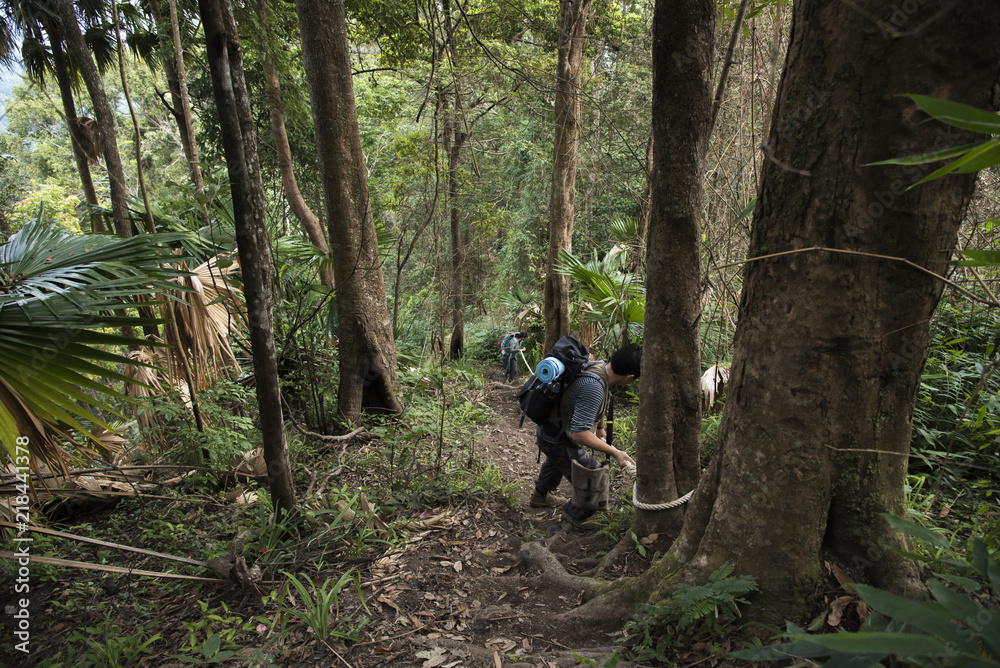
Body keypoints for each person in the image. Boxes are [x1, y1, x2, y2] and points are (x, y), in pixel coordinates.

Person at [529, 343, 641, 530]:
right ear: (630, 377)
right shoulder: (593, 387)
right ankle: (574, 516)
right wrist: (615, 452)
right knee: (594, 477)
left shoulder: (599, 367)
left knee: (557, 461)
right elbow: (579, 435)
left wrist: (600, 428)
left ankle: (540, 496)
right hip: (555, 437)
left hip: (551, 430)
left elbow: (601, 402)